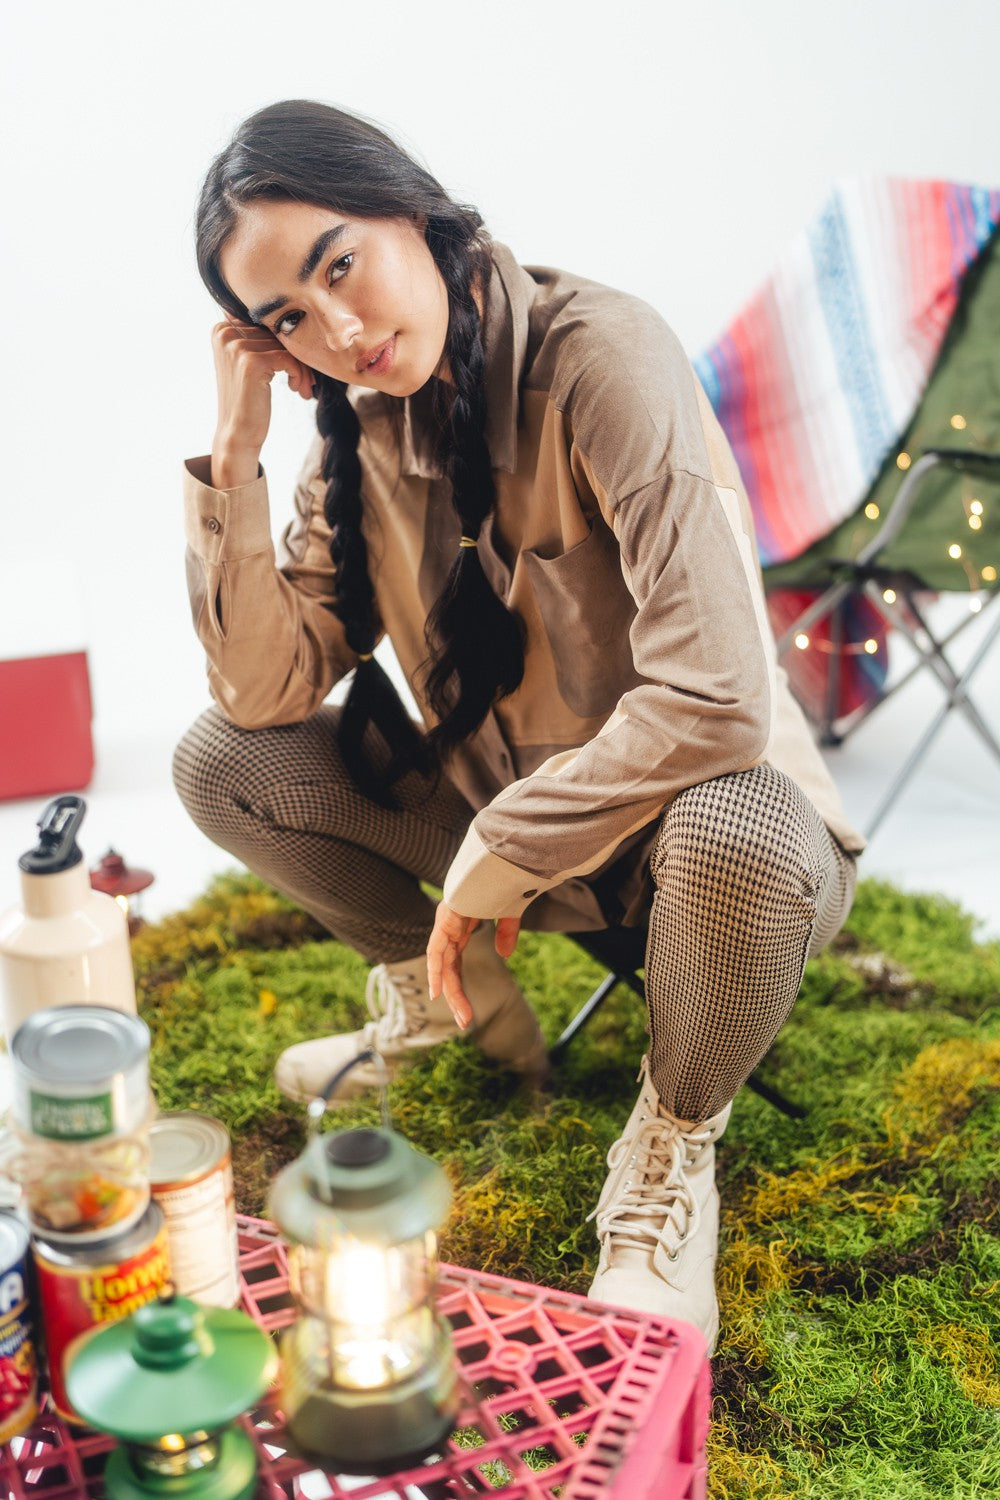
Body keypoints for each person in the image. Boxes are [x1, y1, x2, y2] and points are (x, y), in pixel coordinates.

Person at [175, 99, 864, 1354]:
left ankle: (671, 1144)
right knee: (220, 765)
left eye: (341, 264)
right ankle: (457, 1011)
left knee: (745, 826)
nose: (336, 330)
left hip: (696, 849)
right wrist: (232, 458)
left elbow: (717, 698)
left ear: (412, 210)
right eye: (286, 319)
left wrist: (502, 843)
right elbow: (262, 698)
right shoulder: (353, 424)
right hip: (510, 833)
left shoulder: (604, 356)